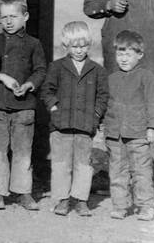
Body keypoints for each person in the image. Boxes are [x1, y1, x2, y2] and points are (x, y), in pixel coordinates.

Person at [0, 0, 46, 211]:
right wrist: (1, 77)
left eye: (14, 16)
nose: (8, 21)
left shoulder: (33, 44)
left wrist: (28, 85)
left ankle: (23, 192)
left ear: (25, 16)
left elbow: (40, 71)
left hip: (23, 106)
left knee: (22, 151)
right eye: (4, 17)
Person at [41, 21, 108, 217]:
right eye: (74, 46)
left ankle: (81, 200)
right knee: (61, 164)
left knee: (83, 164)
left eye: (83, 45)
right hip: (60, 125)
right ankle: (62, 200)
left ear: (89, 45)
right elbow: (47, 90)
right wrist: (55, 109)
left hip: (85, 126)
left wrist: (96, 115)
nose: (79, 50)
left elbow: (102, 96)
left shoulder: (97, 70)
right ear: (66, 46)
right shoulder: (56, 67)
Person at [105, 30, 154, 221]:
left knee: (141, 172)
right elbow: (106, 104)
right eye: (119, 54)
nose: (123, 59)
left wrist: (153, 127)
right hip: (115, 135)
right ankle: (120, 205)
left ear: (139, 55)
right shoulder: (111, 79)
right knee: (117, 171)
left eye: (128, 54)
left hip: (138, 134)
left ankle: (146, 205)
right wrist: (102, 124)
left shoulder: (146, 77)